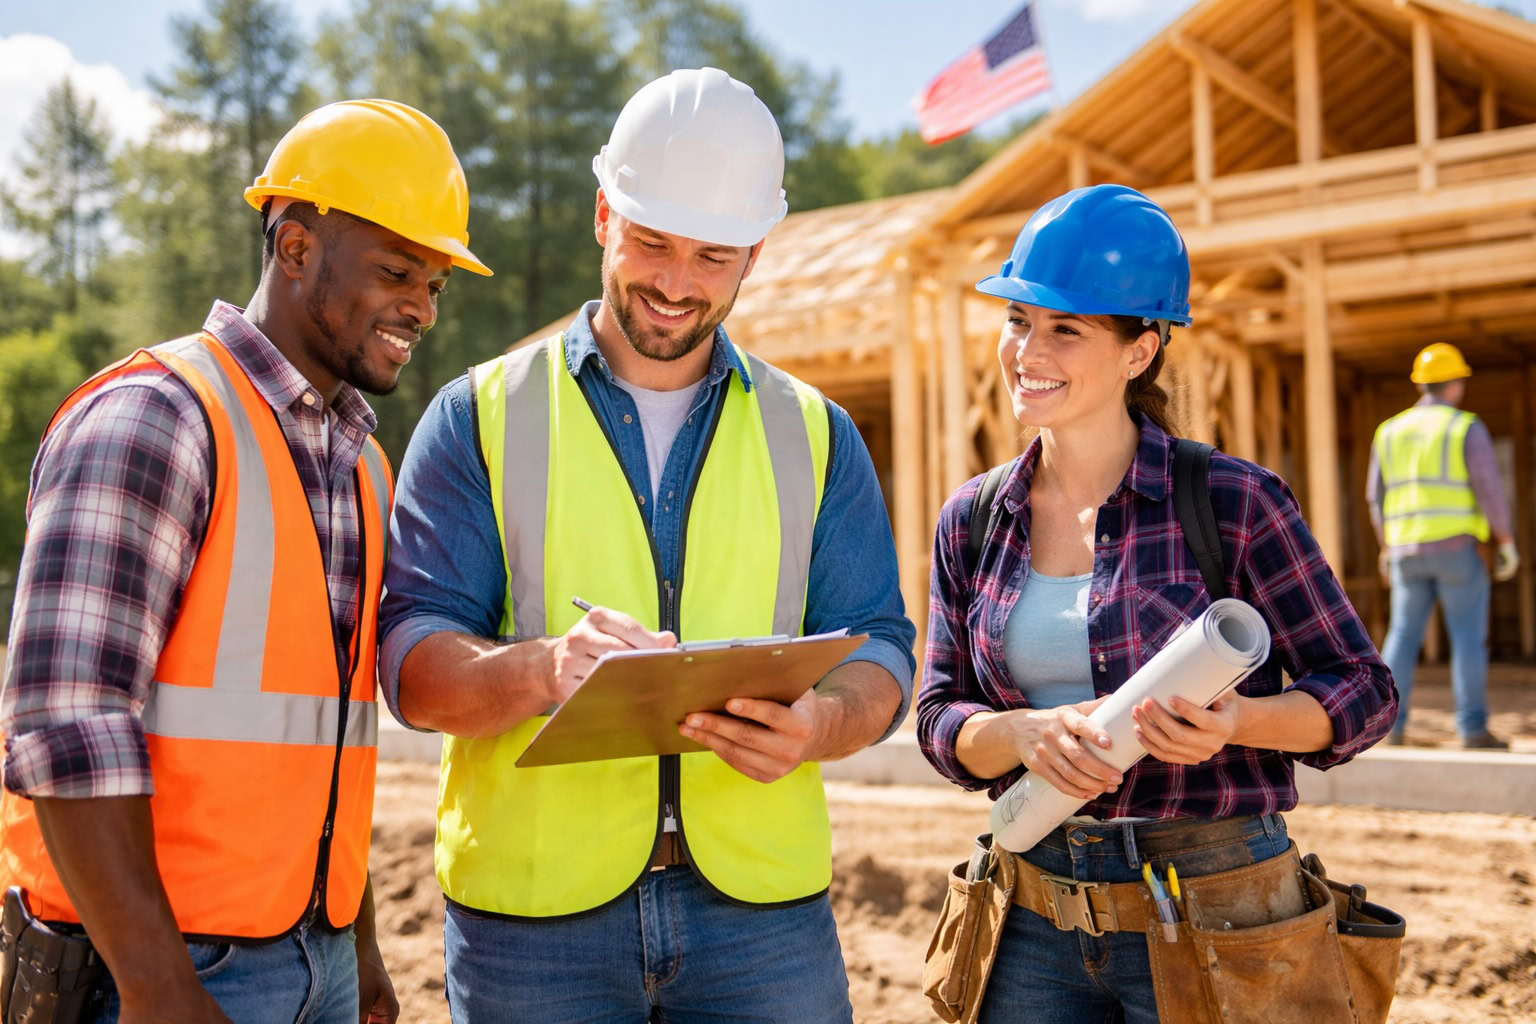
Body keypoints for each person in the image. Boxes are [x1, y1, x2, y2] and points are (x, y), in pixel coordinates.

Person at [378, 67, 915, 1023]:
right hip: (533, 921)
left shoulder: (817, 433)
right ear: (600, 215)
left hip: (761, 917)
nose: (675, 283)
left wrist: (817, 728)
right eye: (652, 242)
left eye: (713, 257)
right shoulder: (478, 418)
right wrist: (545, 669)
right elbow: (415, 673)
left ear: (755, 251)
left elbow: (877, 648)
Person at [0, 99, 490, 1023]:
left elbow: (322, 748)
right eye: (397, 271)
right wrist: (156, 984)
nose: (422, 308)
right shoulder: (157, 419)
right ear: (296, 246)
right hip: (156, 969)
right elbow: (64, 722)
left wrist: (358, 942)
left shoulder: (357, 462)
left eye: (435, 283)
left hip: (317, 957)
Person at [916, 184, 1397, 1022]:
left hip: (1219, 908)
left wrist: (1236, 722)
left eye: (1066, 329)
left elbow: (1362, 692)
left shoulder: (1232, 501)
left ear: (1141, 351)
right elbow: (936, 718)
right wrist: (1018, 734)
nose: (1028, 349)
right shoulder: (975, 518)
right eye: (1019, 320)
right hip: (1032, 913)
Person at [1368, 343, 1519, 750]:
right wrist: (1504, 539)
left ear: (1421, 384)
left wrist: (1386, 547)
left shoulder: (1389, 431)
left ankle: (1388, 728)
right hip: (1456, 551)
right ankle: (1471, 729)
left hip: (1403, 552)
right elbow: (1489, 488)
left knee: (1402, 636)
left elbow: (1375, 497)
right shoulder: (1463, 427)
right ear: (1455, 384)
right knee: (1468, 638)